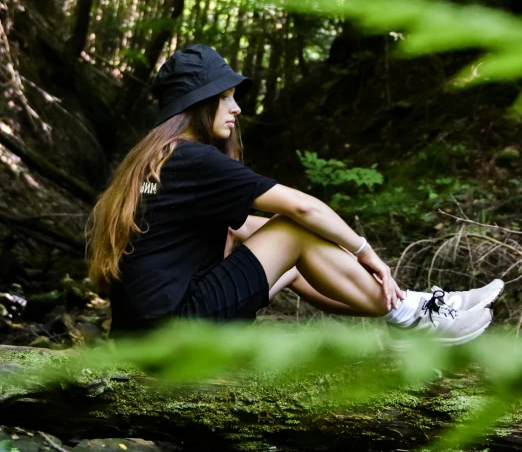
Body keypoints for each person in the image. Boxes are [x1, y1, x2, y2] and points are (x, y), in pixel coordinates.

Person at [87, 44, 503, 343]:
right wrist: (365, 251)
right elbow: (301, 207)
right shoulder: (190, 159)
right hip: (170, 334)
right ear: (198, 104)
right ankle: (413, 315)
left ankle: (415, 311)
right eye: (225, 98)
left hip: (142, 336)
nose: (236, 109)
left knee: (290, 261)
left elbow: (251, 227)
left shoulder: (153, 166)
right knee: (293, 231)